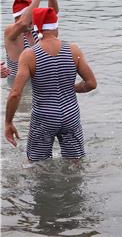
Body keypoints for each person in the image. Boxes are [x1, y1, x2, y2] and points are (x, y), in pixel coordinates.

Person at [5, 8, 97, 161]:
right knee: (75, 163)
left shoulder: (29, 55)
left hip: (44, 117)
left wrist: (8, 122)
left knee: (36, 164)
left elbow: (15, 93)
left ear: (37, 29)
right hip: (70, 115)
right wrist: (72, 88)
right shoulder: (73, 49)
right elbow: (91, 83)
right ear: (56, 26)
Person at [4, 0, 59, 79]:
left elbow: (52, 15)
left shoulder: (35, 30)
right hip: (20, 87)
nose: (35, 18)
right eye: (31, 15)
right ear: (19, 17)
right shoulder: (11, 33)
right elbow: (23, 24)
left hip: (38, 83)